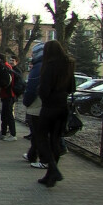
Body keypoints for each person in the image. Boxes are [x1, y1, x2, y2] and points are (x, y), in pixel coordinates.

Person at [36, 40, 75, 187]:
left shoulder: (49, 65)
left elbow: (44, 89)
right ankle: (50, 176)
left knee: (40, 136)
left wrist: (44, 95)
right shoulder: (69, 64)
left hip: (49, 107)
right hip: (63, 106)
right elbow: (72, 87)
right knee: (55, 139)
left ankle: (53, 168)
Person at [22, 43, 49, 169]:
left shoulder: (38, 67)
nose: (32, 55)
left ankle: (43, 159)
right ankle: (32, 154)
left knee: (37, 133)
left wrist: (26, 101)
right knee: (38, 133)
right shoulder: (48, 65)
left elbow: (32, 87)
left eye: (33, 52)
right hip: (44, 104)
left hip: (37, 105)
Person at [0, 53, 17, 141]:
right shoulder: (6, 67)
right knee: (4, 114)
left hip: (9, 94)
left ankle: (13, 134)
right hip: (6, 94)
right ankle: (4, 132)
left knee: (9, 115)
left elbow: (8, 82)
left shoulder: (6, 67)